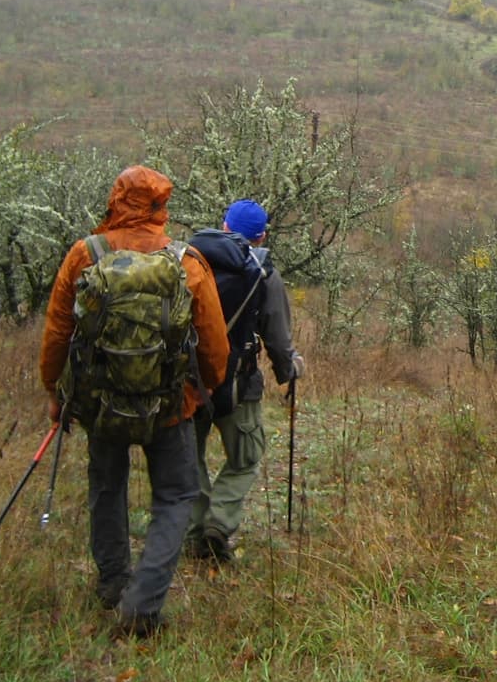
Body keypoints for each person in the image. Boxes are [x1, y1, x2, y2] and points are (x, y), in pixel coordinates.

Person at [39, 165, 229, 639]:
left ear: (114, 202)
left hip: (100, 403)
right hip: (169, 404)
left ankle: (112, 585)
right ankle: (143, 606)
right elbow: (214, 345)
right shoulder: (186, 260)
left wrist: (56, 394)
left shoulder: (85, 254)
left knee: (107, 487)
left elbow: (58, 333)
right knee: (178, 494)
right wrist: (199, 391)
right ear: (161, 209)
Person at [185, 198, 304, 563]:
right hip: (239, 387)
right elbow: (278, 338)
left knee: (192, 457)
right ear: (262, 235)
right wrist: (289, 371)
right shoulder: (265, 274)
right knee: (246, 457)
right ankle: (218, 526)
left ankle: (195, 530)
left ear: (223, 226)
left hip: (189, 382)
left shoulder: (188, 262)